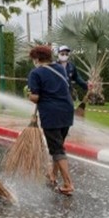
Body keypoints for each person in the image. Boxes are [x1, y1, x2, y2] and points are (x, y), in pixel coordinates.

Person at [27, 45, 75, 195]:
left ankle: (68, 183)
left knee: (56, 148)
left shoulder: (36, 73)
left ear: (37, 58)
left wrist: (28, 95)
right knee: (58, 145)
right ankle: (53, 174)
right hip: (67, 111)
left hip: (51, 113)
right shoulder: (60, 68)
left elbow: (36, 97)